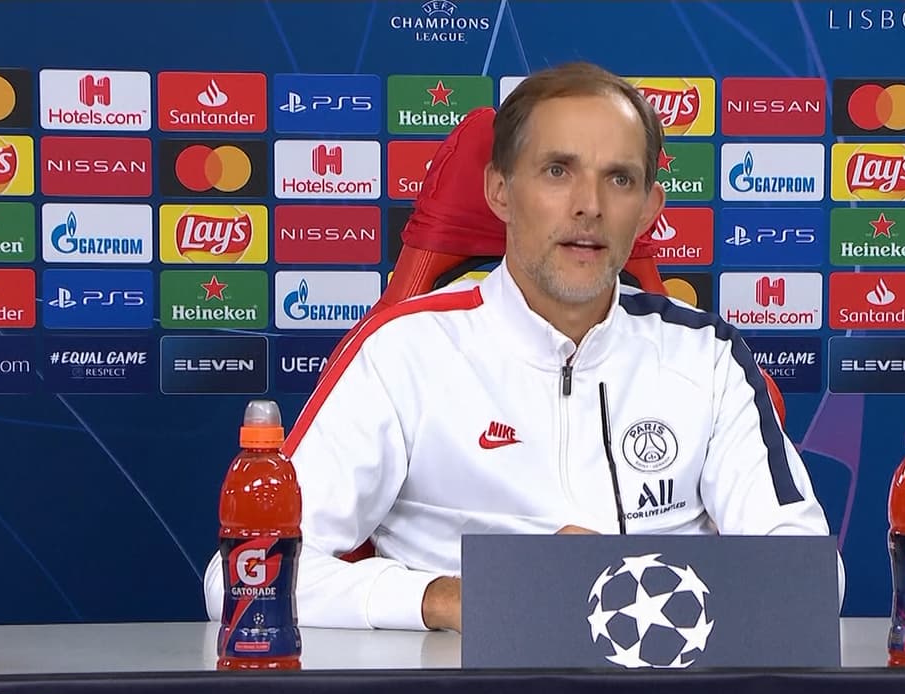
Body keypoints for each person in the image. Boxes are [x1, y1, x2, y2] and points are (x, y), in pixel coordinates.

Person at [204, 62, 841, 633]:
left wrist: (634, 586)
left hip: (663, 689)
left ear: (649, 208)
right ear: (500, 192)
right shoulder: (403, 352)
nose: (589, 206)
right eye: (558, 171)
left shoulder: (706, 355)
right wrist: (452, 599)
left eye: (619, 179)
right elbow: (240, 578)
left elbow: (812, 577)